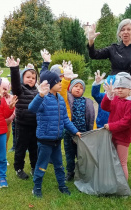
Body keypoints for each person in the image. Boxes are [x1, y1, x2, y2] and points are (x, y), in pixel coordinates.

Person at [86, 18, 131, 170]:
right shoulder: (113, 48)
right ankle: (111, 158)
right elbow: (94, 55)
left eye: (128, 29)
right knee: (112, 119)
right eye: (123, 29)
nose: (125, 32)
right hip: (116, 89)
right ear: (119, 33)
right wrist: (91, 41)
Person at [28, 70, 81, 198]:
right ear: (50, 84)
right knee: (41, 166)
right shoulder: (43, 99)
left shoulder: (61, 99)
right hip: (45, 141)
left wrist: (75, 131)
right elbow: (31, 108)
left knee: (59, 165)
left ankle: (62, 186)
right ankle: (37, 188)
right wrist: (40, 95)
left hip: (57, 140)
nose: (60, 84)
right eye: (57, 82)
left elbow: (65, 120)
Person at [59, 62, 95, 181]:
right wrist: (66, 79)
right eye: (76, 86)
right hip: (69, 133)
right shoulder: (67, 98)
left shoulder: (87, 102)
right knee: (69, 154)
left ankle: (82, 172)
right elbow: (62, 90)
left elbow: (91, 118)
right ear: (71, 88)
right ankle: (70, 172)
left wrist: (93, 131)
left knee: (82, 155)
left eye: (81, 87)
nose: (78, 89)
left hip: (82, 134)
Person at [6, 56, 38, 180]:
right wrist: (14, 69)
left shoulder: (37, 91)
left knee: (34, 148)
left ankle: (35, 167)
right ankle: (19, 168)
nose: (31, 80)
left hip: (35, 125)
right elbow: (15, 83)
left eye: (33, 78)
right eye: (28, 77)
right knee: (21, 148)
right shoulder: (20, 90)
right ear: (22, 78)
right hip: (22, 125)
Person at [101, 72, 131, 180]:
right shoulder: (115, 99)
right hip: (112, 135)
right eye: (118, 88)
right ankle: (113, 181)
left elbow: (127, 121)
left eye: (123, 88)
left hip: (123, 137)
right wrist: (108, 97)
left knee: (122, 162)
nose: (120, 90)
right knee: (111, 159)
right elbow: (105, 107)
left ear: (129, 89)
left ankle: (123, 187)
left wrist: (111, 126)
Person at [0, 77, 15, 167]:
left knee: (4, 142)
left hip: (7, 125)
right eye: (2, 88)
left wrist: (9, 119)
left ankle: (3, 159)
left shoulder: (10, 97)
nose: (4, 91)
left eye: (6, 89)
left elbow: (14, 111)